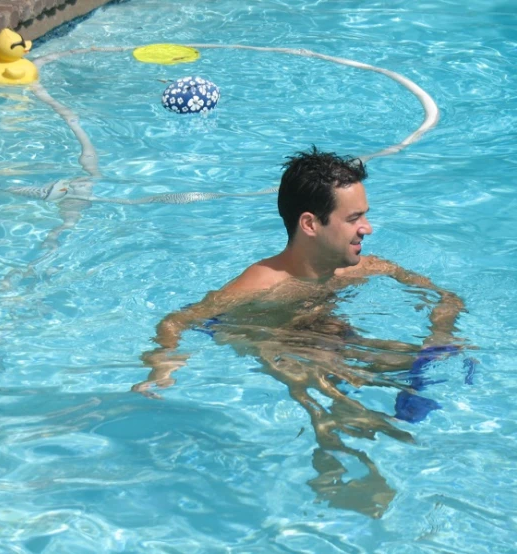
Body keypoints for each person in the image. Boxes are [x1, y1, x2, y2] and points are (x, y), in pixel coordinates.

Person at [133, 146, 467, 517]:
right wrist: (163, 364)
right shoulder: (262, 284)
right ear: (310, 224)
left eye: (365, 216)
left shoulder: (361, 268)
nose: (366, 228)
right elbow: (177, 321)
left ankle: (386, 431)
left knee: (406, 356)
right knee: (314, 369)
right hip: (269, 338)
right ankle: (338, 467)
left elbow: (446, 297)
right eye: (354, 218)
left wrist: (440, 334)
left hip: (326, 334)